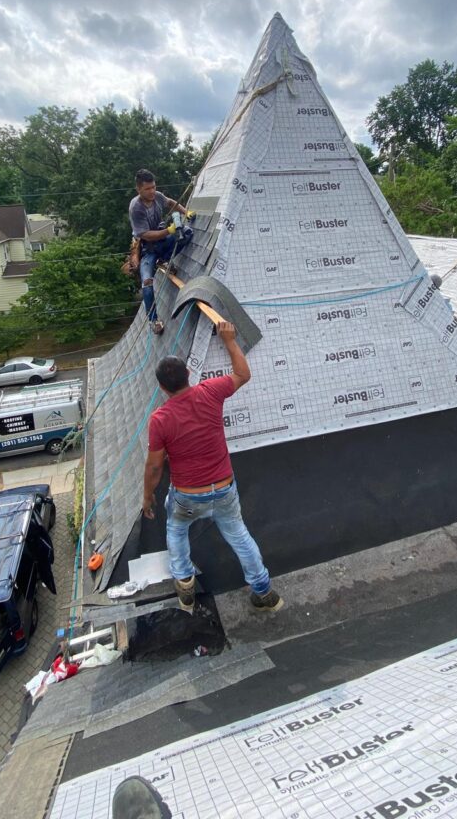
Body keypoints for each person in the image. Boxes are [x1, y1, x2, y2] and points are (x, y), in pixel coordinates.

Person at [142, 321, 283, 614]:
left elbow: (155, 467)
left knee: (176, 528)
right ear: (189, 375)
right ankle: (264, 593)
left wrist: (147, 496)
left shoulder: (160, 419)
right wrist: (230, 340)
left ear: (161, 387)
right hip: (223, 489)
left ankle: (186, 590)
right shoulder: (210, 391)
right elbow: (243, 374)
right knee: (239, 535)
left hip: (188, 496)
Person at [128, 169, 193, 334]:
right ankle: (153, 320)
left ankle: (163, 260)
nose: (152, 192)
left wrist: (186, 212)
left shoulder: (157, 196)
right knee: (147, 284)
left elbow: (171, 202)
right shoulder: (136, 208)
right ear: (139, 190)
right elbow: (146, 235)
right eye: (147, 189)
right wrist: (169, 231)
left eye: (153, 187)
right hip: (147, 249)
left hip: (162, 241)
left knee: (187, 233)